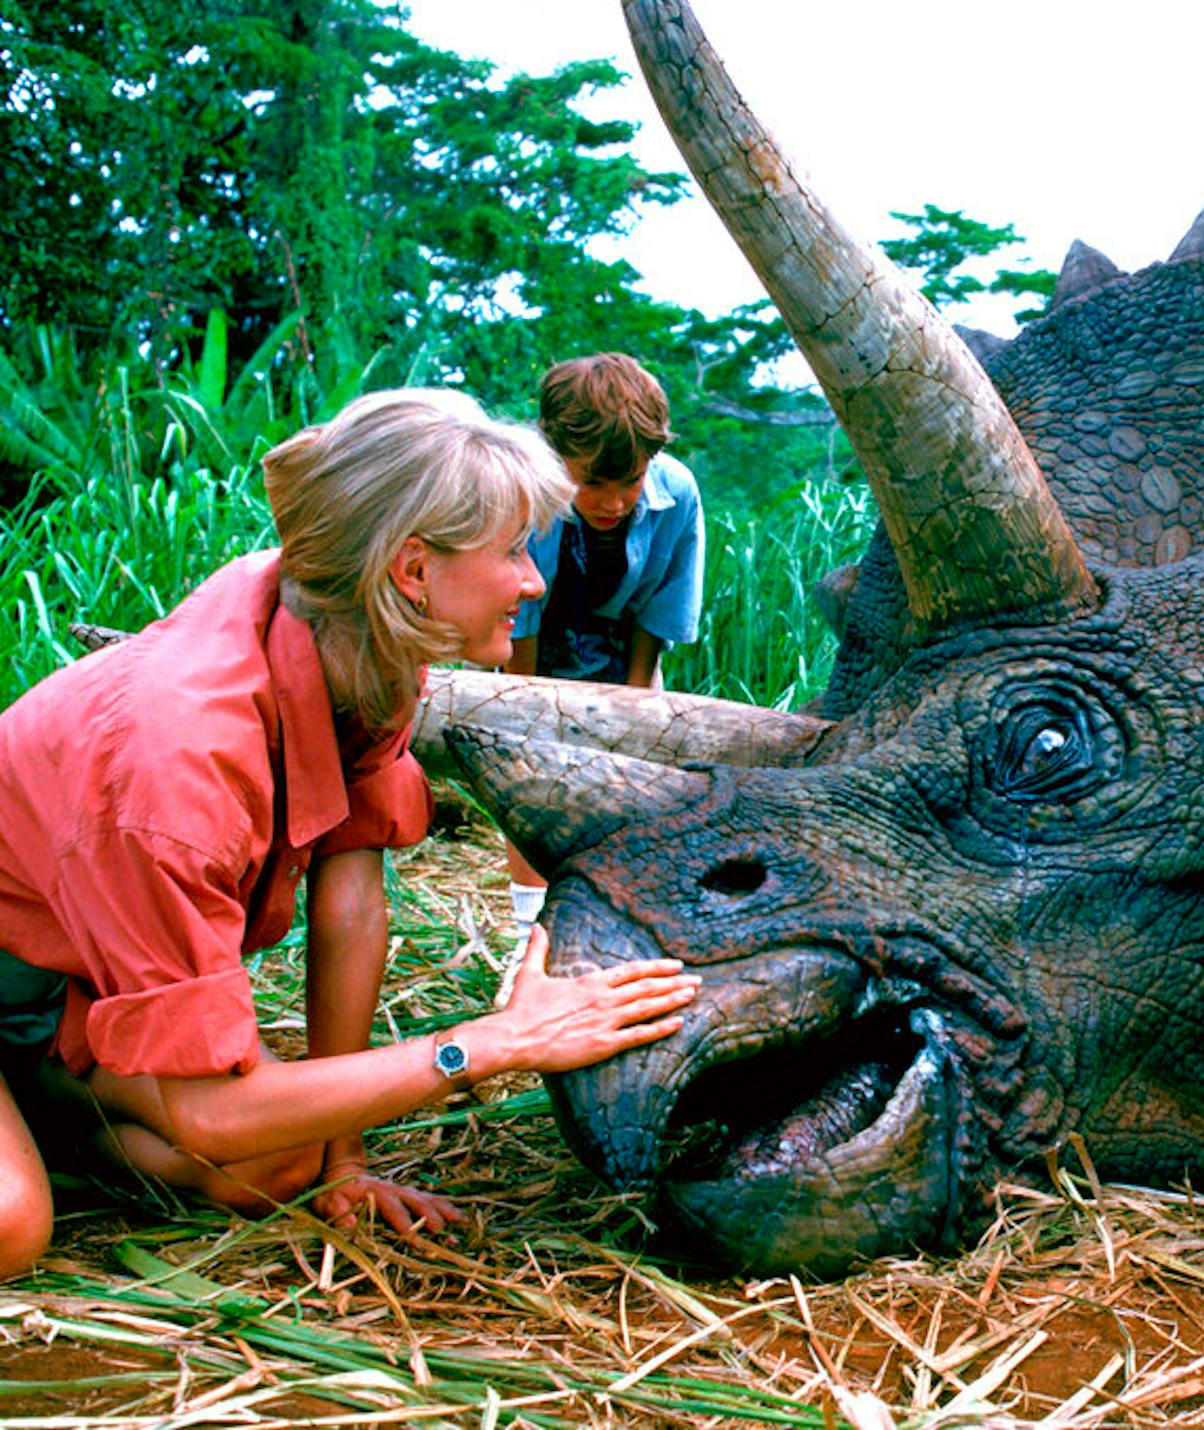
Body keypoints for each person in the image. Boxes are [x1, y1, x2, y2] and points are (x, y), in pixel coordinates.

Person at [0, 389, 701, 1278]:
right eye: (513, 551)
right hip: (20, 975)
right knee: (12, 1227)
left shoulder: (355, 632)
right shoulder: (178, 765)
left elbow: (350, 896)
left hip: (67, 991)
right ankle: (47, 1117)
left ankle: (50, 1099)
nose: (533, 581)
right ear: (412, 569)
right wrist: (494, 1044)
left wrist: (346, 1161)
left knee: (284, 1160)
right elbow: (215, 1112)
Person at [501, 354, 705, 927]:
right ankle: (527, 927)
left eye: (630, 481)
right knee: (529, 782)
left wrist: (635, 703)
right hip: (536, 649)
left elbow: (663, 607)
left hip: (621, 648)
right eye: (592, 482)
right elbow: (518, 613)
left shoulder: (679, 493)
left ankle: (616, 917)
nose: (614, 502)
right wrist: (528, 705)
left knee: (628, 779)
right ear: (555, 458)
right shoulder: (523, 491)